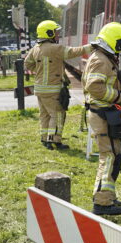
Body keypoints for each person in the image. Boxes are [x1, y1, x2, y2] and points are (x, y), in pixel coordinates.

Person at [83, 22, 121, 216]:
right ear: (114, 41)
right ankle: (102, 203)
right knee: (109, 157)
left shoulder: (103, 57)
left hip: (106, 113)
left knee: (114, 155)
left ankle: (107, 197)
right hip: (102, 114)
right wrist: (118, 96)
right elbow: (94, 87)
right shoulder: (101, 60)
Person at [24, 20, 92, 150]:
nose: (57, 35)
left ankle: (44, 138)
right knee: (58, 114)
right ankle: (54, 140)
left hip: (39, 88)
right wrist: (92, 47)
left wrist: (40, 70)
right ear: (49, 33)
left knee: (44, 115)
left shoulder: (35, 49)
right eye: (55, 32)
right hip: (52, 89)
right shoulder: (55, 48)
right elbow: (74, 52)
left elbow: (27, 64)